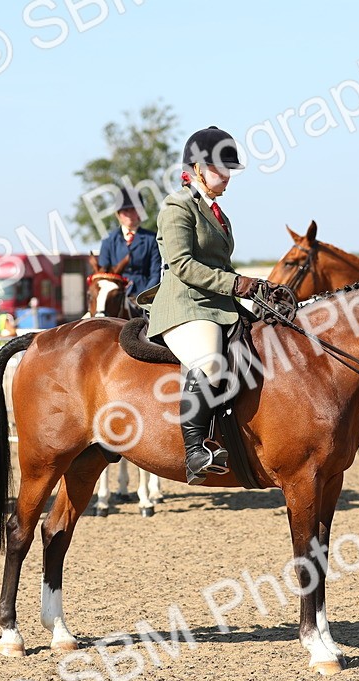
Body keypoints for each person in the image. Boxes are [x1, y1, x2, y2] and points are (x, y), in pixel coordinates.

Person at [136, 126, 272, 484]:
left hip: (217, 304)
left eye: (229, 170)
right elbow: (182, 265)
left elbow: (221, 266)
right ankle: (196, 450)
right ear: (197, 168)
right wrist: (237, 284)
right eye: (219, 169)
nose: (226, 176)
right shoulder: (176, 206)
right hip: (185, 304)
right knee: (210, 361)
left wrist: (257, 290)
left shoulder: (218, 214)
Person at [98, 187, 163, 298]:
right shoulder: (108, 241)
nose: (129, 215)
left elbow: (155, 274)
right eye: (125, 211)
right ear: (118, 214)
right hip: (115, 295)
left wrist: (145, 296)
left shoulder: (152, 239)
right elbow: (103, 273)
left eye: (133, 210)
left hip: (143, 293)